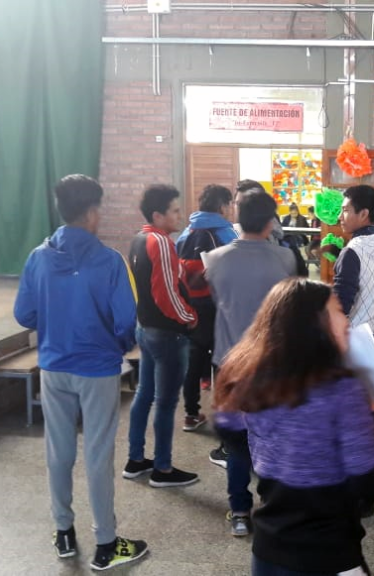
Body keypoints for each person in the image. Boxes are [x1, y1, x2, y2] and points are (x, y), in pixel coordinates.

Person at [14, 174, 148, 571]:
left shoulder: (38, 257)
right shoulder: (109, 261)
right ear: (91, 212)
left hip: (53, 367)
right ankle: (105, 543)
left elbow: (24, 314)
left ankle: (64, 533)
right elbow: (126, 321)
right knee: (98, 453)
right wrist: (117, 346)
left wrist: (55, 324)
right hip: (97, 369)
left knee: (58, 451)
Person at [214, 278, 374, 576]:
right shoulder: (343, 390)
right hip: (328, 553)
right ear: (315, 324)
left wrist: (272, 464)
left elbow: (226, 426)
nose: (346, 321)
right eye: (338, 310)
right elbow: (371, 480)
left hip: (268, 549)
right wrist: (372, 418)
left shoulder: (251, 377)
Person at [203, 189, 297, 536]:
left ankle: (240, 511)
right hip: (271, 362)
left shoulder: (215, 259)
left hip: (229, 362)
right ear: (271, 221)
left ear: (237, 218)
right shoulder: (285, 259)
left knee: (236, 441)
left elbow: (218, 300)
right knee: (272, 435)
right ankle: (272, 506)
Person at [125, 184, 199, 488]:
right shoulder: (161, 242)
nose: (180, 215)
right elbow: (166, 294)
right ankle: (163, 469)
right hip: (167, 334)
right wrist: (190, 318)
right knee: (166, 402)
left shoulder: (138, 239)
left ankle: (135, 460)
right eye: (175, 210)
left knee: (145, 394)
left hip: (145, 328)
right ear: (158, 215)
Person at [334, 185, 374, 448]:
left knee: (356, 410)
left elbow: (341, 304)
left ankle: (360, 462)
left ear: (364, 214)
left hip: (359, 340)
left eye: (345, 210)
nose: (340, 216)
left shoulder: (353, 250)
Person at [175, 183, 238, 432]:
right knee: (222, 359)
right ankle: (223, 415)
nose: (231, 209)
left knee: (193, 360)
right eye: (229, 205)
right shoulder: (226, 233)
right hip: (220, 306)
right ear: (222, 206)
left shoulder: (185, 233)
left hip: (192, 307)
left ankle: (190, 414)